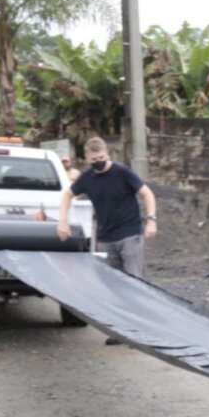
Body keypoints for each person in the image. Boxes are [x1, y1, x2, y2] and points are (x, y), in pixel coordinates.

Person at [57, 137, 157, 345]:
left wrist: (151, 221)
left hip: (130, 233)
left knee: (133, 283)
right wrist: (63, 222)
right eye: (94, 159)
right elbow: (67, 196)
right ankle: (121, 331)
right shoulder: (87, 178)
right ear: (87, 160)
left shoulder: (123, 173)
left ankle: (140, 332)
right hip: (106, 237)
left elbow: (147, 194)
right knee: (113, 285)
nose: (98, 162)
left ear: (108, 155)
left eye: (101, 158)